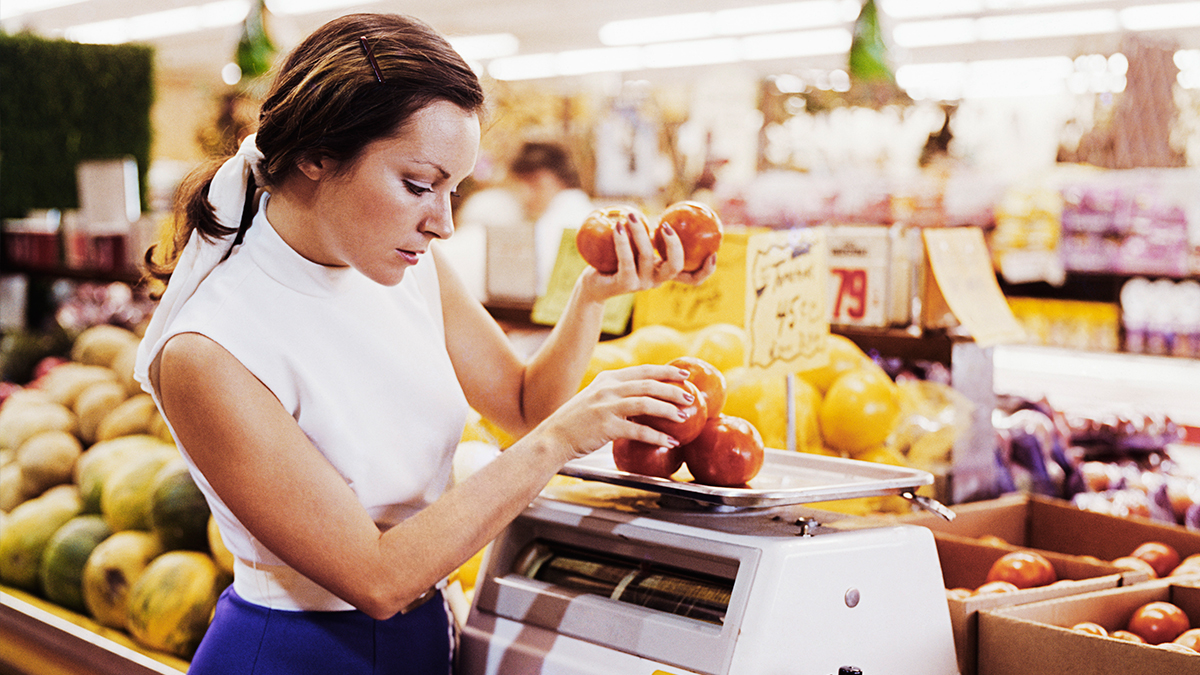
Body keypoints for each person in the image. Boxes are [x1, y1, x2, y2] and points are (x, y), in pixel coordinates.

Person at [134, 12, 715, 675]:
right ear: (319, 153)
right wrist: (561, 437)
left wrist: (591, 295)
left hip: (426, 640)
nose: (441, 222)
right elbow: (377, 578)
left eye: (453, 189)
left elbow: (522, 404)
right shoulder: (208, 348)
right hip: (297, 655)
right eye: (418, 184)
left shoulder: (403, 265)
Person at [507, 141, 595, 295]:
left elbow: (534, 286)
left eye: (531, 182)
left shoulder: (554, 221)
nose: (525, 195)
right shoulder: (588, 212)